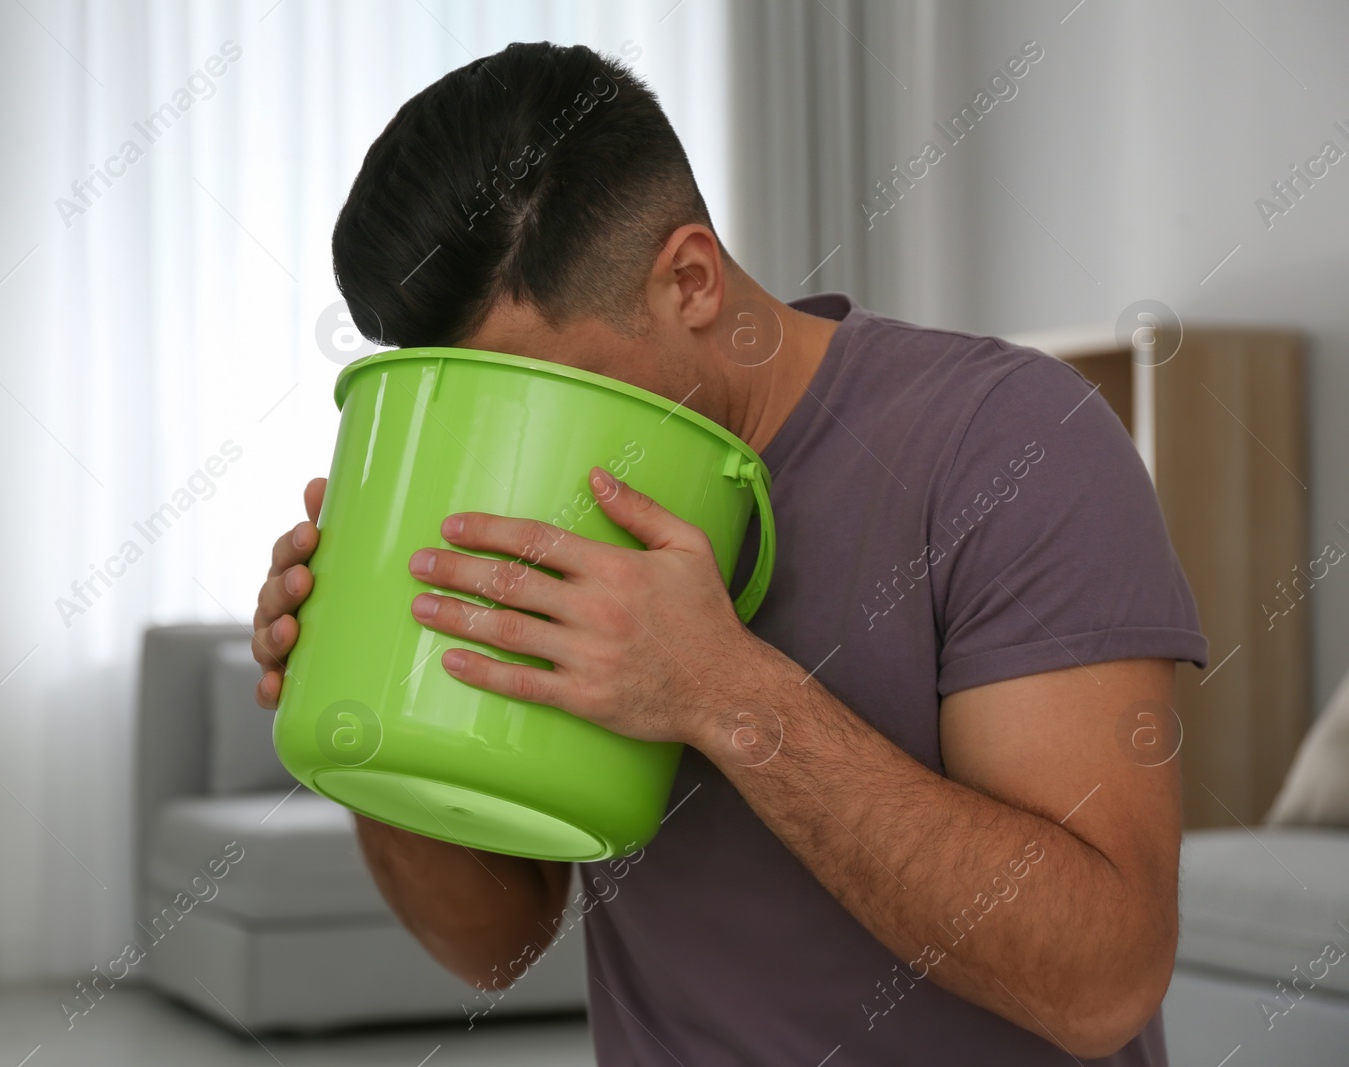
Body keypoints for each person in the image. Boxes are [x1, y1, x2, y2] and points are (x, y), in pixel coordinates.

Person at [252, 41, 1206, 1066]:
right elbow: (495, 942)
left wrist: (721, 690)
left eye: (535, 387)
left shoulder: (1013, 443)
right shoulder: (514, 495)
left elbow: (1100, 982)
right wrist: (367, 716)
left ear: (691, 280)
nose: (503, 435)